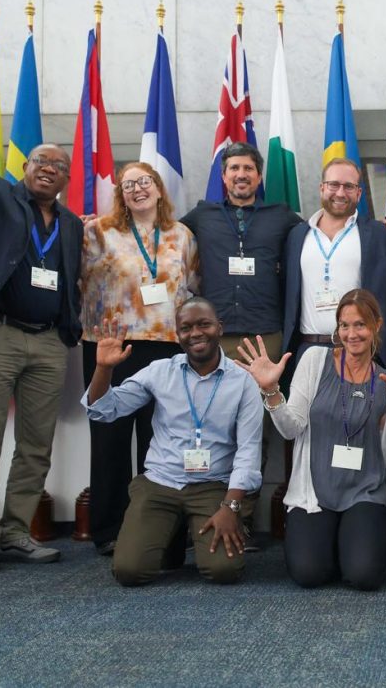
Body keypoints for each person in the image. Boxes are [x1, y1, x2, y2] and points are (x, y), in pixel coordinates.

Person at [237, 289, 386, 590]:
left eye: (360, 325)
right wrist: (271, 391)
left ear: (377, 326)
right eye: (344, 325)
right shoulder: (314, 362)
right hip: (315, 494)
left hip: (365, 491)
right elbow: (290, 429)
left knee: (364, 576)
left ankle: (359, 543)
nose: (351, 333)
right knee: (310, 574)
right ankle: (339, 543)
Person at [0, 144, 82, 573]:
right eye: (41, 163)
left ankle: (15, 532)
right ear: (26, 168)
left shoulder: (70, 223)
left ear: (67, 178)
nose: (49, 169)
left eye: (59, 166)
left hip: (49, 342)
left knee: (35, 446)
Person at [82, 298, 262, 586]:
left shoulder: (243, 382)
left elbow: (249, 451)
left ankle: (179, 535)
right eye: (186, 328)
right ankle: (171, 536)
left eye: (204, 324)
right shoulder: (159, 371)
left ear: (220, 328)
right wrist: (103, 369)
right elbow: (104, 410)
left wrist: (231, 507)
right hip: (161, 483)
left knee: (223, 571)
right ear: (177, 334)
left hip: (212, 484)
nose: (195, 333)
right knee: (129, 572)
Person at [180, 142, 303, 541]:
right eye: (233, 169)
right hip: (211, 339)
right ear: (224, 176)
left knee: (255, 428)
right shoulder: (202, 215)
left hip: (261, 338)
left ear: (259, 176)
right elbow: (160, 235)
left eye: (248, 169)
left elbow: (324, 229)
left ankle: (243, 516)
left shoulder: (280, 216)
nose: (241, 175)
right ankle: (202, 511)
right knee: (208, 426)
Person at [80, 162, 199, 555]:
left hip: (166, 347)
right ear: (120, 194)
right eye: (128, 184)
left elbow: (192, 289)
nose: (137, 189)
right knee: (110, 438)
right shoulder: (97, 231)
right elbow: (75, 276)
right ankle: (109, 528)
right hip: (111, 347)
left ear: (159, 188)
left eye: (143, 181)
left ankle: (156, 526)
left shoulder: (182, 235)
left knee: (160, 439)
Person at [283, 158, 386, 370]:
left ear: (359, 193)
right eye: (333, 185)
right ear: (322, 188)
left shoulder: (378, 235)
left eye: (349, 186)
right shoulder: (297, 235)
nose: (340, 193)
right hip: (308, 351)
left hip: (362, 352)